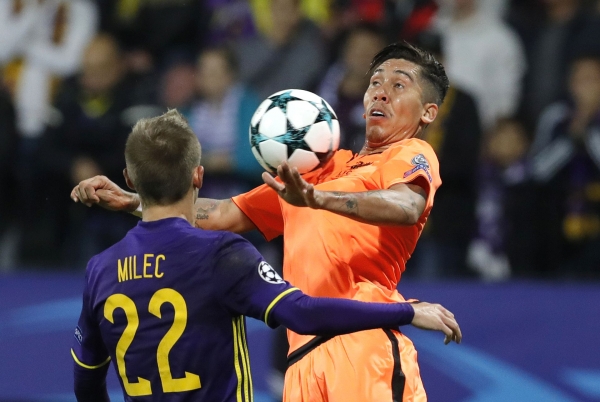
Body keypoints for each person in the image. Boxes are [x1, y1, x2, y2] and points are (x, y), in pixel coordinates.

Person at [73, 42, 457, 401]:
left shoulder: (410, 153)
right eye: (375, 82)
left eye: (398, 85)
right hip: (302, 356)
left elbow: (407, 205)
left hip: (362, 344)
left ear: (427, 112)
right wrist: (136, 201)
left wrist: (319, 199)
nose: (381, 92)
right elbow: (221, 214)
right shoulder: (324, 165)